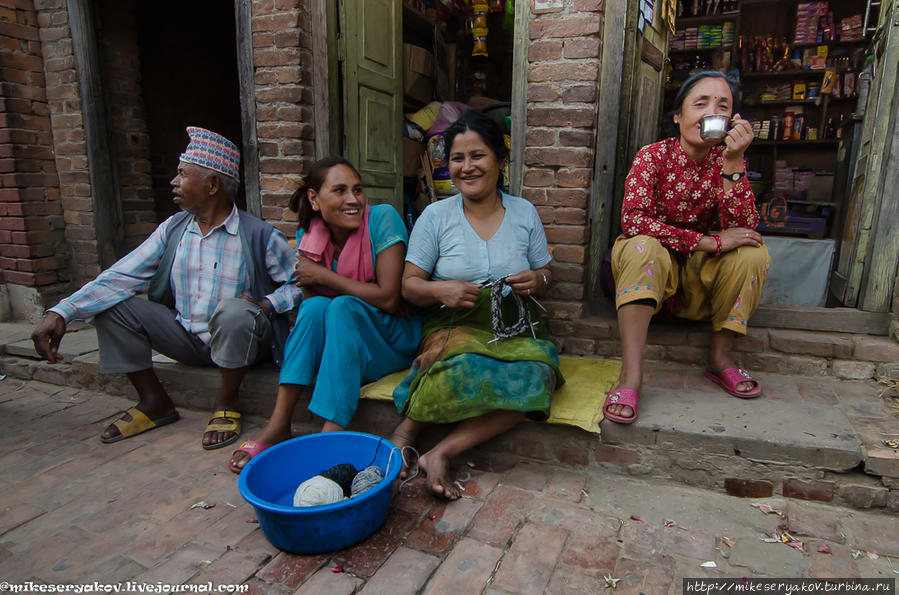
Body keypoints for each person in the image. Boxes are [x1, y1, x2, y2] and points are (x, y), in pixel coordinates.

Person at [31, 127, 300, 448]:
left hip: (241, 345)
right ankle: (154, 402)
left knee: (234, 312)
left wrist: (266, 305)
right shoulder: (172, 229)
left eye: (182, 174)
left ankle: (227, 401)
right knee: (112, 305)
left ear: (212, 184)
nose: (174, 182)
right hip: (184, 336)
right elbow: (121, 276)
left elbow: (298, 285)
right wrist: (63, 311)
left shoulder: (259, 235)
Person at [389, 110, 562, 499]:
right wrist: (440, 291)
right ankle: (405, 432)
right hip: (455, 326)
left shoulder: (523, 213)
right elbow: (409, 285)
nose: (466, 167)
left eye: (477, 156)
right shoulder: (435, 217)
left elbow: (547, 273)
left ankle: (440, 452)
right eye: (457, 158)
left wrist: (540, 279)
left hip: (518, 329)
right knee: (464, 368)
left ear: (500, 162)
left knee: (535, 379)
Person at [228, 157, 422, 472]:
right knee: (317, 307)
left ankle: (330, 434)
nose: (353, 200)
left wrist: (324, 276)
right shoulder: (311, 234)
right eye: (340, 191)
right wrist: (340, 286)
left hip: (395, 334)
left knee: (342, 305)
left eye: (358, 190)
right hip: (348, 336)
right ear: (314, 199)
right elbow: (313, 297)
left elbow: (388, 298)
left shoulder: (382, 218)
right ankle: (279, 423)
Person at [603, 71, 771, 425]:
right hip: (654, 270)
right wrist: (705, 241)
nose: (712, 111)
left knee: (754, 253)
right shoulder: (652, 156)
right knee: (641, 245)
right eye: (701, 103)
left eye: (722, 106)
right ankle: (631, 375)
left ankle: (720, 359)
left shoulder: (729, 161)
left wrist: (734, 163)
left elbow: (743, 229)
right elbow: (632, 219)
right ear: (679, 115)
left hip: (699, 276)